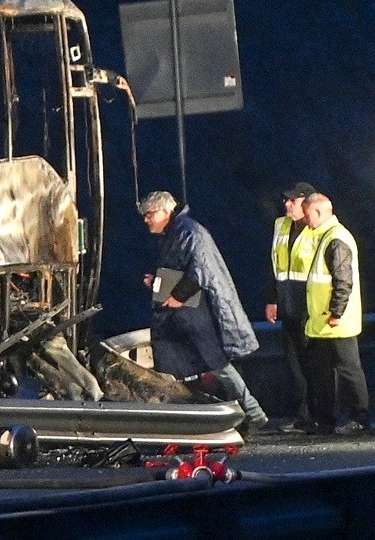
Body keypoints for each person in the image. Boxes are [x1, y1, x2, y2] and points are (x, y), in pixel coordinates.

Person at [138, 191, 270, 431]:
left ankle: (252, 412)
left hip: (194, 312)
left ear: (165, 211)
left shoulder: (189, 232)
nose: (146, 220)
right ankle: (187, 419)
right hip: (177, 312)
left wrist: (179, 296)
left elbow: (199, 269)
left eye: (150, 214)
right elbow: (177, 270)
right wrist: (157, 281)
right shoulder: (174, 233)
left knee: (215, 363)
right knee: (181, 367)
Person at [302, 193, 369, 435]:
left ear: (319, 212)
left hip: (335, 321)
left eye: (308, 215)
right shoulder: (325, 236)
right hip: (323, 321)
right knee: (322, 372)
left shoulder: (336, 239)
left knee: (349, 370)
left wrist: (336, 312)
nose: (306, 220)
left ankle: (359, 419)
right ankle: (325, 419)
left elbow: (344, 280)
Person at [263, 182, 318, 432]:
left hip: (311, 307)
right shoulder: (281, 225)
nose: (287, 204)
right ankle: (302, 415)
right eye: (286, 200)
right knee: (294, 363)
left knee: (314, 363)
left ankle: (317, 415)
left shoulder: (318, 229)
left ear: (307, 203)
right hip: (288, 305)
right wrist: (272, 299)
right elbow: (274, 266)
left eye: (292, 201)